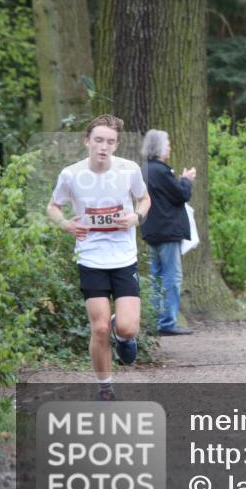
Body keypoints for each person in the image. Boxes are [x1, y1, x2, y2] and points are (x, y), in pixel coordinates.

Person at [47, 115, 150, 401]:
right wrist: (66, 224)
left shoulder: (129, 170)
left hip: (124, 257)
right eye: (99, 140)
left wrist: (136, 217)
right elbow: (53, 206)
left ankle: (122, 333)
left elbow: (145, 199)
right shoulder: (71, 174)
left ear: (116, 145)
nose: (104, 146)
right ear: (87, 141)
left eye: (110, 141)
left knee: (127, 327)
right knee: (99, 327)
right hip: (91, 258)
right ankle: (105, 390)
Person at [141, 129, 196, 336]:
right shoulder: (162, 171)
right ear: (161, 147)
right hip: (167, 230)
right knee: (172, 277)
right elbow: (181, 195)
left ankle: (154, 320)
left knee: (156, 277)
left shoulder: (144, 170)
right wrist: (186, 180)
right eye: (168, 144)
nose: (170, 148)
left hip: (151, 229)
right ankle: (167, 322)